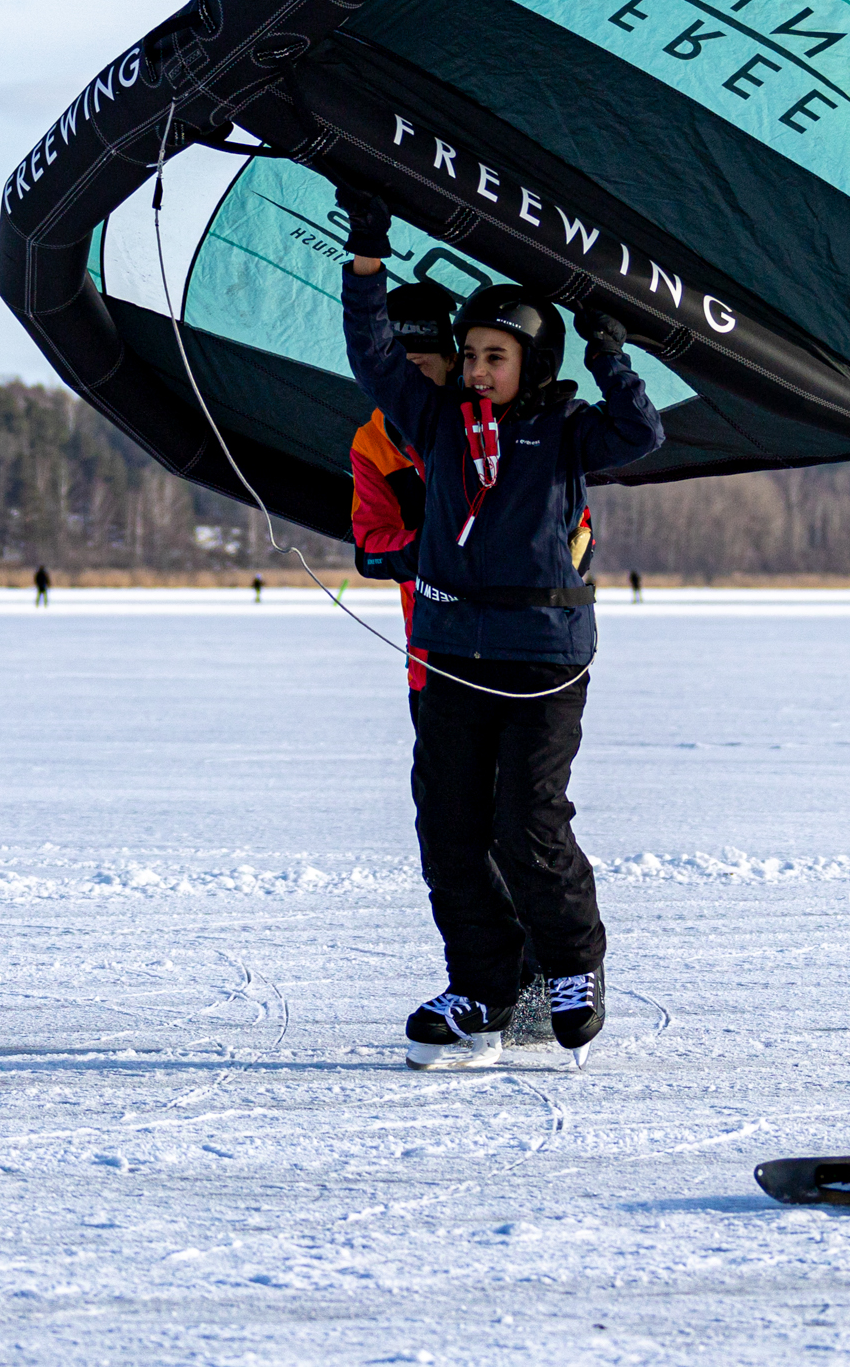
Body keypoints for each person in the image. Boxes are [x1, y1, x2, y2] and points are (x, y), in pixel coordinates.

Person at [337, 186, 662, 1070]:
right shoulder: (435, 422)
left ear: (532, 363)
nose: (478, 370)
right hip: (450, 656)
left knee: (526, 823)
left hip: (541, 660)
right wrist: (367, 254)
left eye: (496, 356)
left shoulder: (563, 430)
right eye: (471, 355)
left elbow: (639, 432)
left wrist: (607, 353)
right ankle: (479, 991)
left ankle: (571, 969)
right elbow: (372, 354)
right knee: (448, 831)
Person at [351, 281, 459, 715]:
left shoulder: (493, 425)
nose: (410, 383)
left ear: (451, 361)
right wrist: (428, 549)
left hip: (518, 655)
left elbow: (574, 525)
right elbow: (369, 552)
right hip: (432, 662)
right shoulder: (372, 442)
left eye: (421, 367)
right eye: (402, 368)